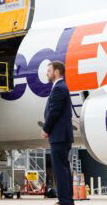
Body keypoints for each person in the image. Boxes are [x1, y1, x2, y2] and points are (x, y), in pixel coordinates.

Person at [42, 61, 74, 205]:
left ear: (56, 72)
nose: (47, 73)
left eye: (49, 70)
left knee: (60, 170)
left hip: (59, 136)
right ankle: (67, 200)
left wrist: (46, 129)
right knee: (64, 169)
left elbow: (54, 111)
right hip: (61, 135)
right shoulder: (60, 87)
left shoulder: (59, 88)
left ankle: (64, 201)